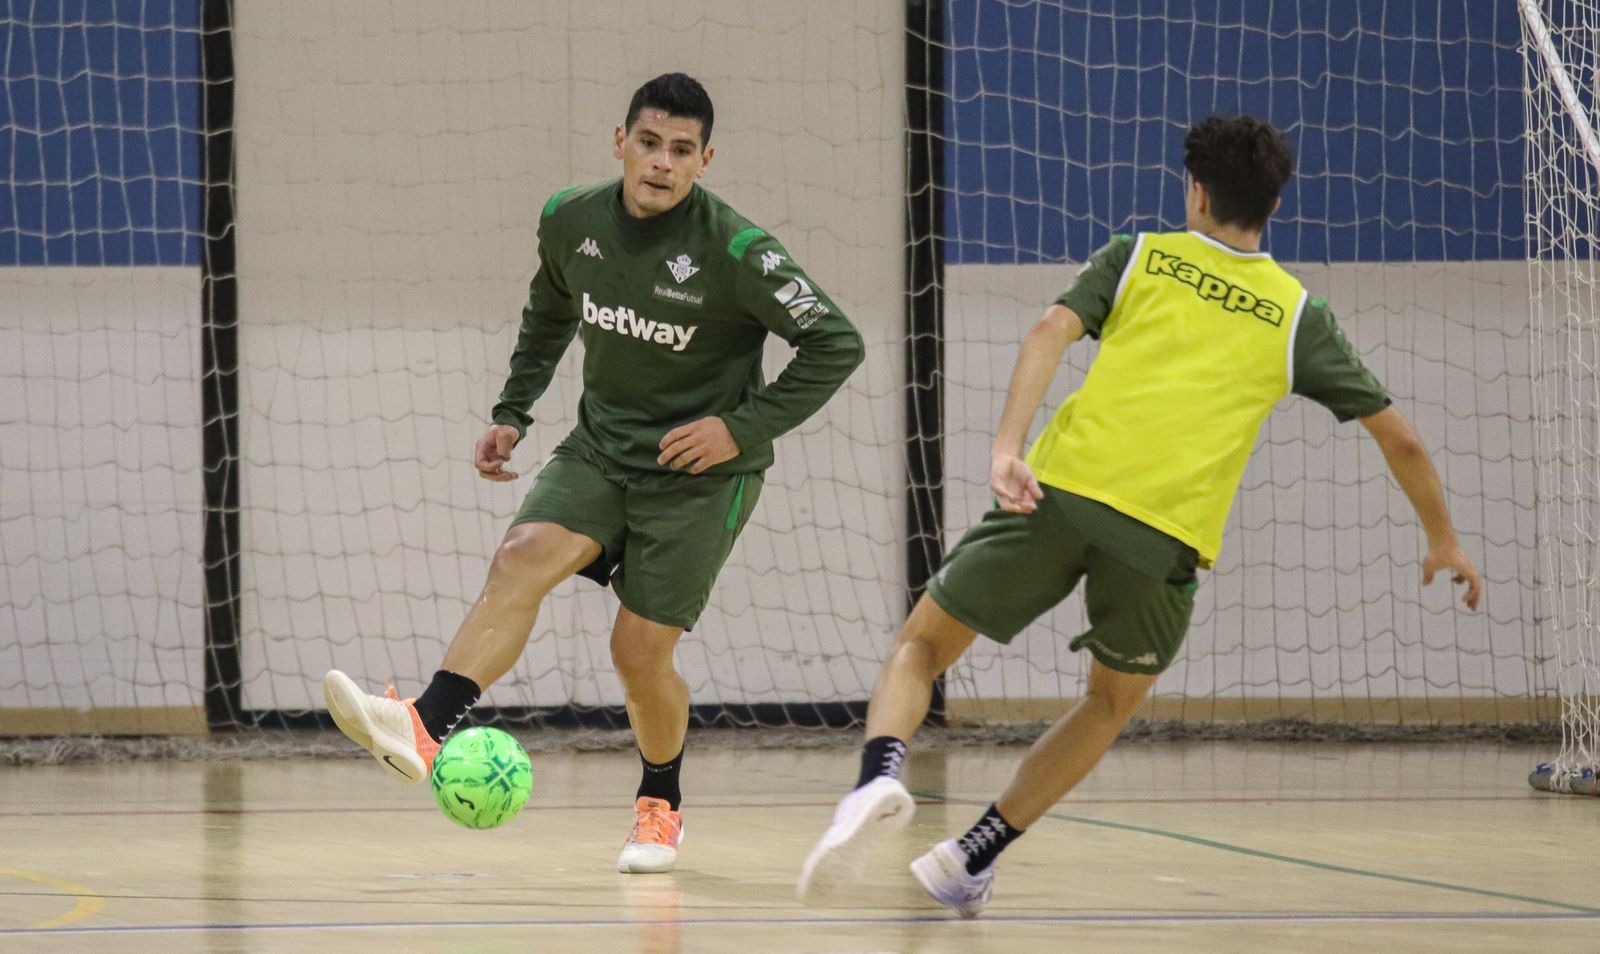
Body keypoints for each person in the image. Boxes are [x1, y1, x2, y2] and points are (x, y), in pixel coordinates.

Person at [797, 114, 1482, 916]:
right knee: (1109, 702)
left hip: (1058, 494)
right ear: (1274, 205)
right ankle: (968, 858)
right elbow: (1398, 438)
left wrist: (1007, 448)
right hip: (1163, 540)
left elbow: (1048, 328)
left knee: (921, 643)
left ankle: (879, 774)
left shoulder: (1140, 255)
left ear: (1196, 192)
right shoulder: (1298, 316)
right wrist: (1443, 538)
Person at [323, 72, 864, 874]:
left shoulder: (739, 251)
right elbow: (550, 309)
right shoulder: (569, 218)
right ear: (621, 142)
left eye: (682, 151)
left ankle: (660, 802)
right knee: (519, 558)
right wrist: (514, 409)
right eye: (648, 143)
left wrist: (737, 428)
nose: (661, 163)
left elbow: (837, 343)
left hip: (699, 476)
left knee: (638, 653)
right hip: (602, 447)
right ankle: (426, 723)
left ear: (705, 160)